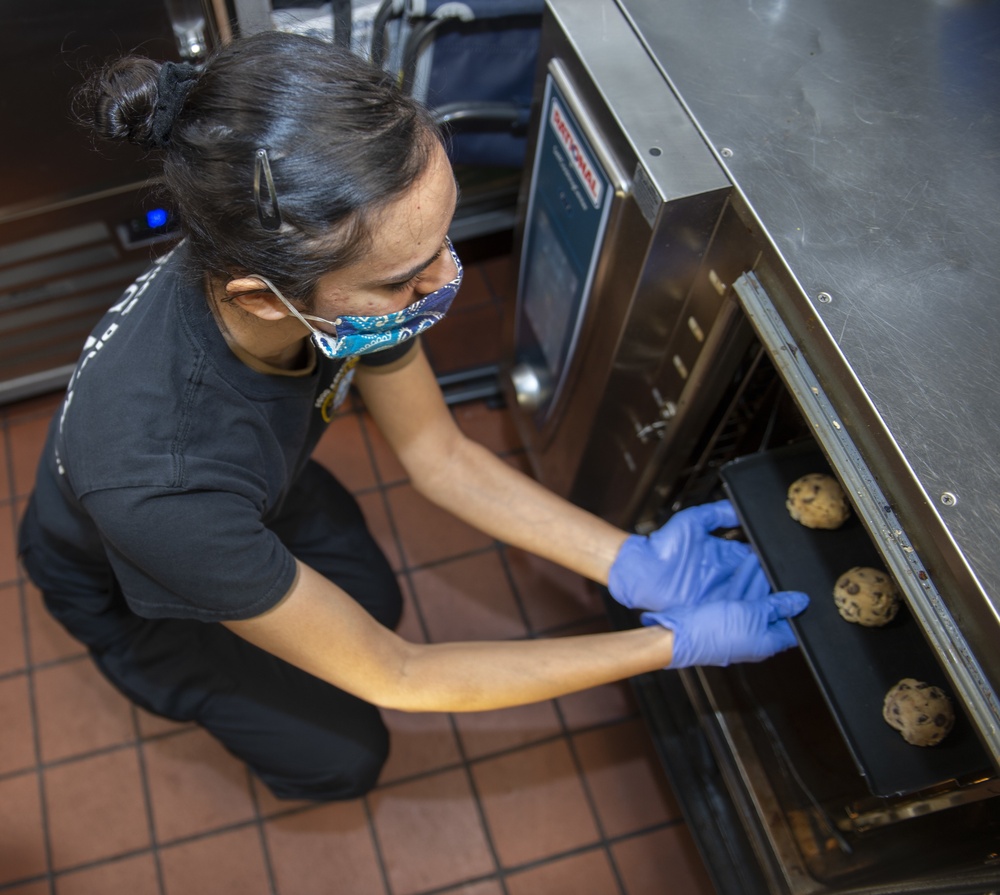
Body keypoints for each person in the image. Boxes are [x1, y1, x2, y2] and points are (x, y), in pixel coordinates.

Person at [17, 30, 808, 802]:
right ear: (262, 297)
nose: (438, 284)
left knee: (371, 601)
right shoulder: (161, 487)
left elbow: (437, 453)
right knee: (343, 752)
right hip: (130, 577)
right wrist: (672, 643)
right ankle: (204, 680)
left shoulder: (302, 257)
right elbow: (401, 674)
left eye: (442, 240)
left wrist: (634, 561)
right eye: (403, 277)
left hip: (261, 488)